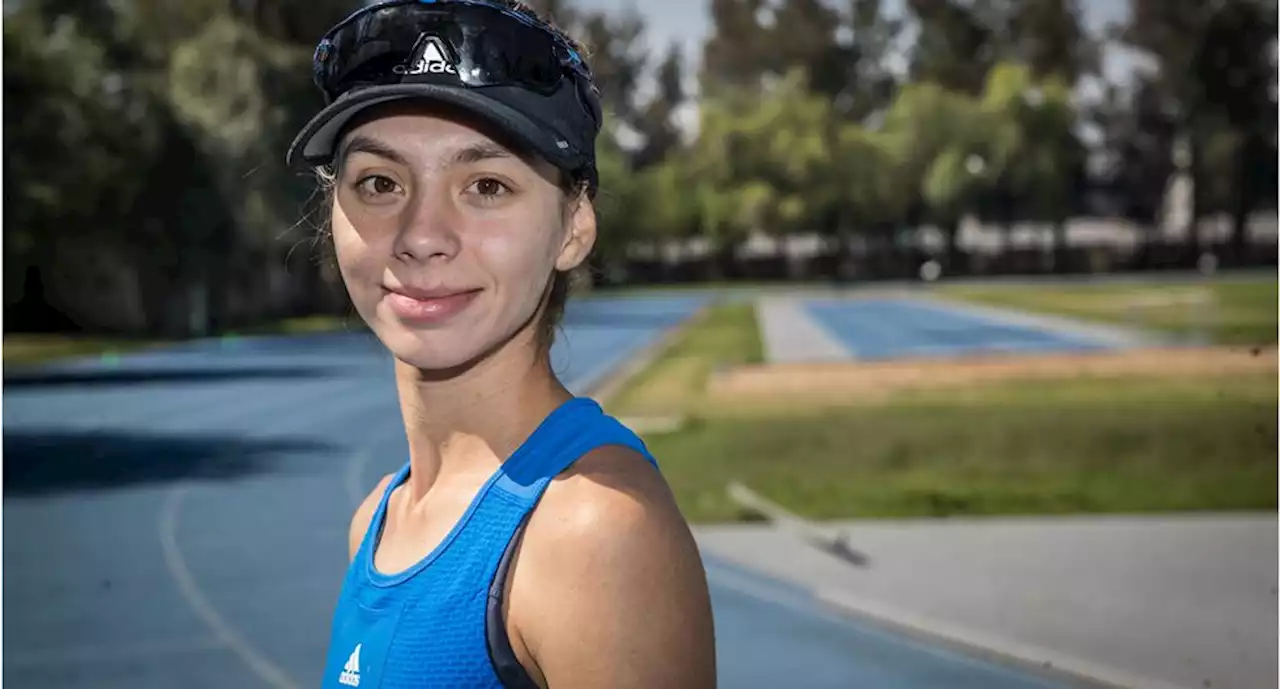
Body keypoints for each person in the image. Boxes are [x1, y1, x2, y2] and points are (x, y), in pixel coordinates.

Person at [285, 1, 718, 687]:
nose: (422, 234)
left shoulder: (592, 531)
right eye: (379, 182)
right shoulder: (377, 518)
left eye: (486, 185)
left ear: (573, 226)